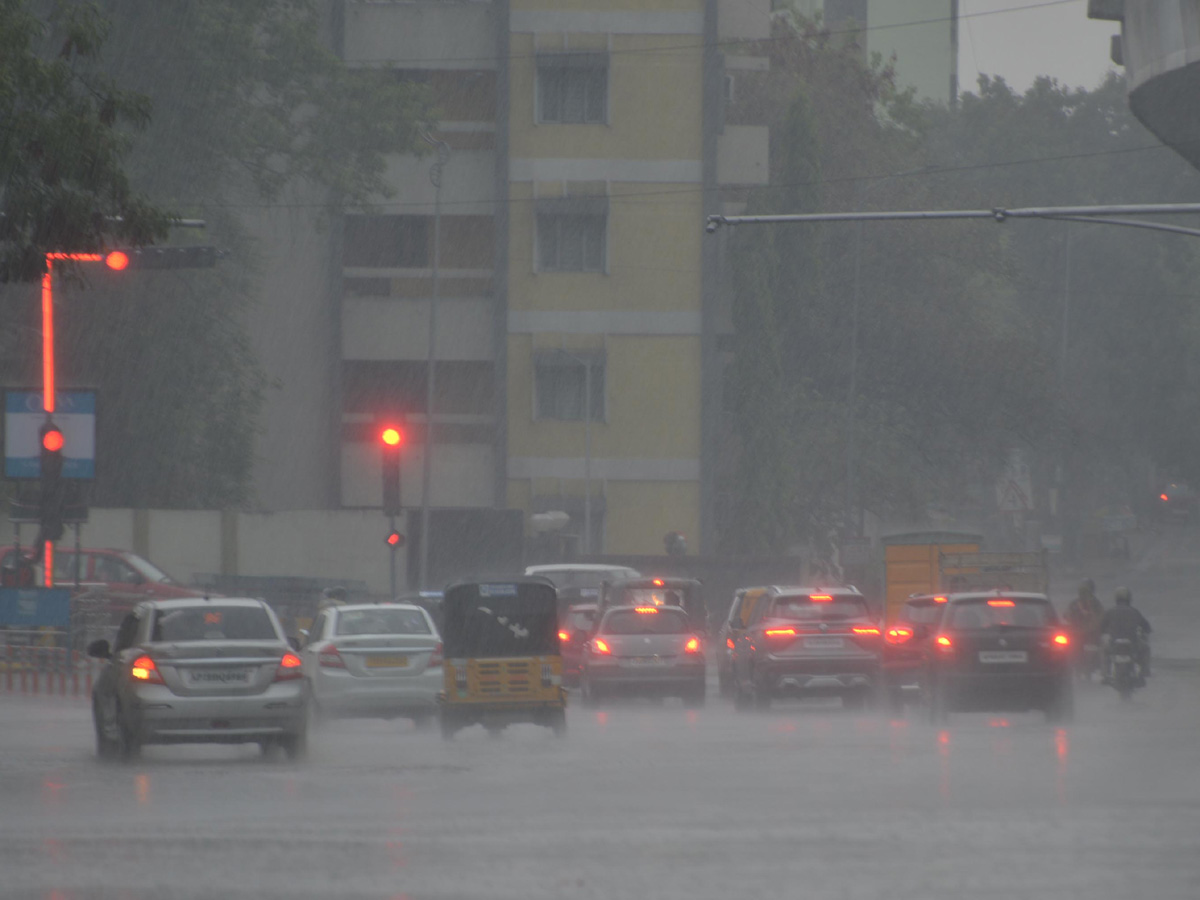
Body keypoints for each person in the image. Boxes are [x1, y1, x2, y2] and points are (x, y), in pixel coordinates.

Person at [1099, 586, 1152, 680]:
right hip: (1132, 643)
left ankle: (1105, 673)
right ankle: (1145, 671)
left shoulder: (1110, 611)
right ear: (1129, 598)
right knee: (1146, 649)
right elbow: (1147, 627)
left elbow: (1101, 627)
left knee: (1104, 650)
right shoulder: (1134, 611)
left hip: (1114, 643)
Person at [1065, 578, 1105, 644]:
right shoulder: (1075, 603)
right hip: (1079, 636)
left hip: (1088, 636)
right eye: (1082, 592)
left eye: (1085, 591)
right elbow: (1067, 616)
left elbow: (1101, 618)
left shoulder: (1096, 604)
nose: (1083, 594)